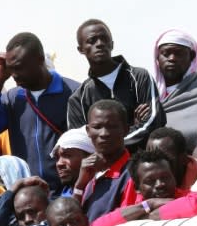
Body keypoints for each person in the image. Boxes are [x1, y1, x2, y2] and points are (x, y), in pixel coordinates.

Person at [0, 32, 73, 194]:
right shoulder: (13, 98)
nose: (14, 75)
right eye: (11, 69)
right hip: (29, 195)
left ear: (40, 59)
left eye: (19, 67)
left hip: (66, 193)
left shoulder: (73, 92)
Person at [68, 19, 166, 148]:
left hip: (140, 163)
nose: (100, 44)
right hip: (104, 167)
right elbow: (80, 142)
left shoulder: (139, 77)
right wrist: (134, 126)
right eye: (92, 41)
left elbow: (153, 122)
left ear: (112, 44)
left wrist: (107, 144)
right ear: (80, 49)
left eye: (104, 39)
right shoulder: (78, 98)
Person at [89, 149, 197, 226]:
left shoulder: (189, 198)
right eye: (150, 181)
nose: (160, 184)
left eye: (165, 177)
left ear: (174, 178)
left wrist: (144, 220)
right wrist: (148, 204)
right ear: (137, 188)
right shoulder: (133, 208)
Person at [153, 29, 197, 153]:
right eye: (166, 53)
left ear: (191, 57)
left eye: (179, 54)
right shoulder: (146, 89)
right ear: (157, 57)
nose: (172, 59)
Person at [73, 100, 137, 223]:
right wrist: (79, 186)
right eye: (97, 127)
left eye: (112, 127)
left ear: (126, 129)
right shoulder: (86, 172)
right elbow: (71, 222)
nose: (104, 134)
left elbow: (125, 223)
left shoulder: (134, 173)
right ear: (88, 131)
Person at [51, 128, 96, 196]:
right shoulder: (63, 195)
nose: (59, 163)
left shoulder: (102, 193)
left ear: (90, 157)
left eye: (67, 155)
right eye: (57, 158)